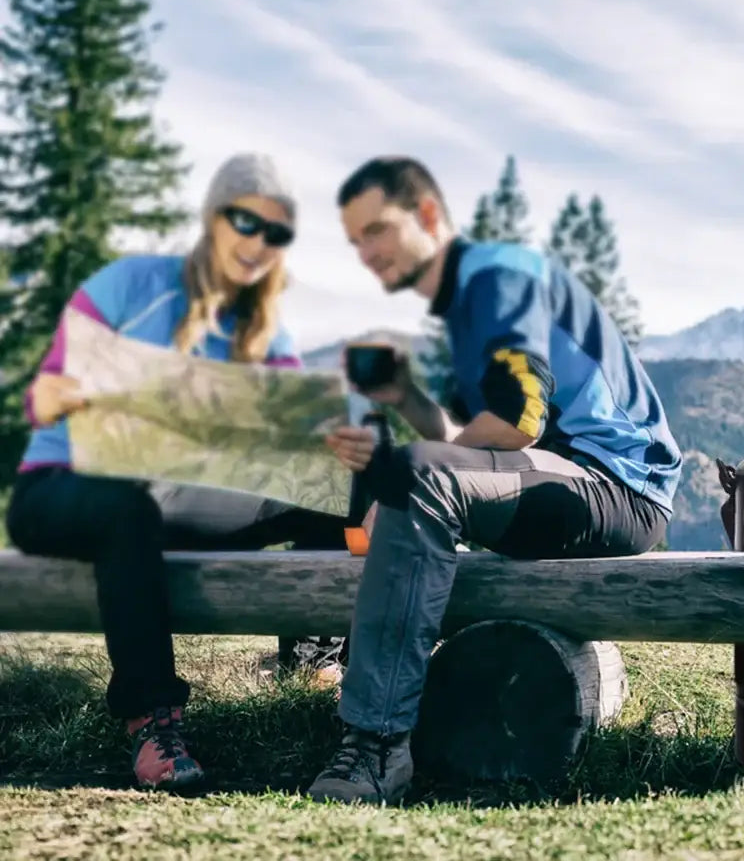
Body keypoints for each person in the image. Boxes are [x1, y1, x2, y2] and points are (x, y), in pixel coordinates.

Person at [307, 156, 683, 805]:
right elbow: (481, 438)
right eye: (354, 240)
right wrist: (406, 399)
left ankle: (374, 748)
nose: (365, 253)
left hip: (619, 487)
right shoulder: (474, 298)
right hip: (565, 479)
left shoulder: (495, 278)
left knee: (414, 473)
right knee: (392, 462)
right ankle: (325, 658)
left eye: (377, 230)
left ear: (427, 216)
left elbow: (517, 422)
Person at [4, 152, 367, 792]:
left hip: (175, 494)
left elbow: (285, 448)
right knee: (128, 504)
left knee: (342, 486)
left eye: (276, 232)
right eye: (244, 221)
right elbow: (45, 398)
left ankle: (325, 668)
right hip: (65, 487)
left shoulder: (263, 325)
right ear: (211, 217)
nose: (259, 242)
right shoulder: (129, 285)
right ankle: (153, 722)